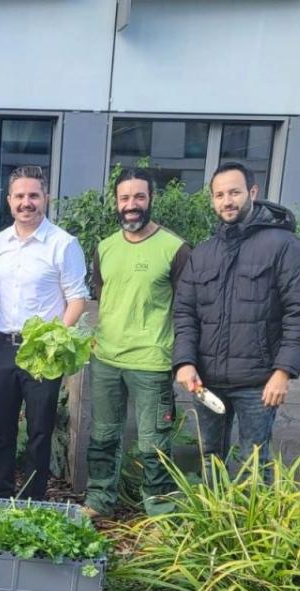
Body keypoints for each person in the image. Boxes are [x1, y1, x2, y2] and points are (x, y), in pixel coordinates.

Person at [172, 161, 300, 476]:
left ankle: (252, 524)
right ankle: (214, 521)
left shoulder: (284, 246)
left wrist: (283, 371)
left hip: (258, 382)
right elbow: (185, 313)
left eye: (235, 192)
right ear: (212, 200)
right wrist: (185, 362)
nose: (228, 201)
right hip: (206, 382)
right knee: (211, 457)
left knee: (255, 460)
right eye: (220, 194)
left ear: (252, 192)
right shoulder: (204, 253)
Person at [0, 165, 89, 501]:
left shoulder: (63, 244)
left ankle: (33, 500)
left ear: (45, 198)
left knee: (40, 431)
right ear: (9, 201)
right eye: (19, 196)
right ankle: (0, 494)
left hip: (42, 353)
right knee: (2, 431)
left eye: (33, 195)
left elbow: (77, 298)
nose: (27, 202)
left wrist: (55, 341)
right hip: (4, 348)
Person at [85, 168, 190, 518]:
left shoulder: (174, 249)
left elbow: (187, 308)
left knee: (153, 444)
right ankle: (99, 502)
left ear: (151, 199)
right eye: (124, 198)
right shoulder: (104, 248)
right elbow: (104, 297)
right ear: (116, 202)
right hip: (106, 359)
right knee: (102, 436)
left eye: (139, 197)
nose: (131, 205)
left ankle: (159, 514)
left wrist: (183, 359)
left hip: (152, 362)